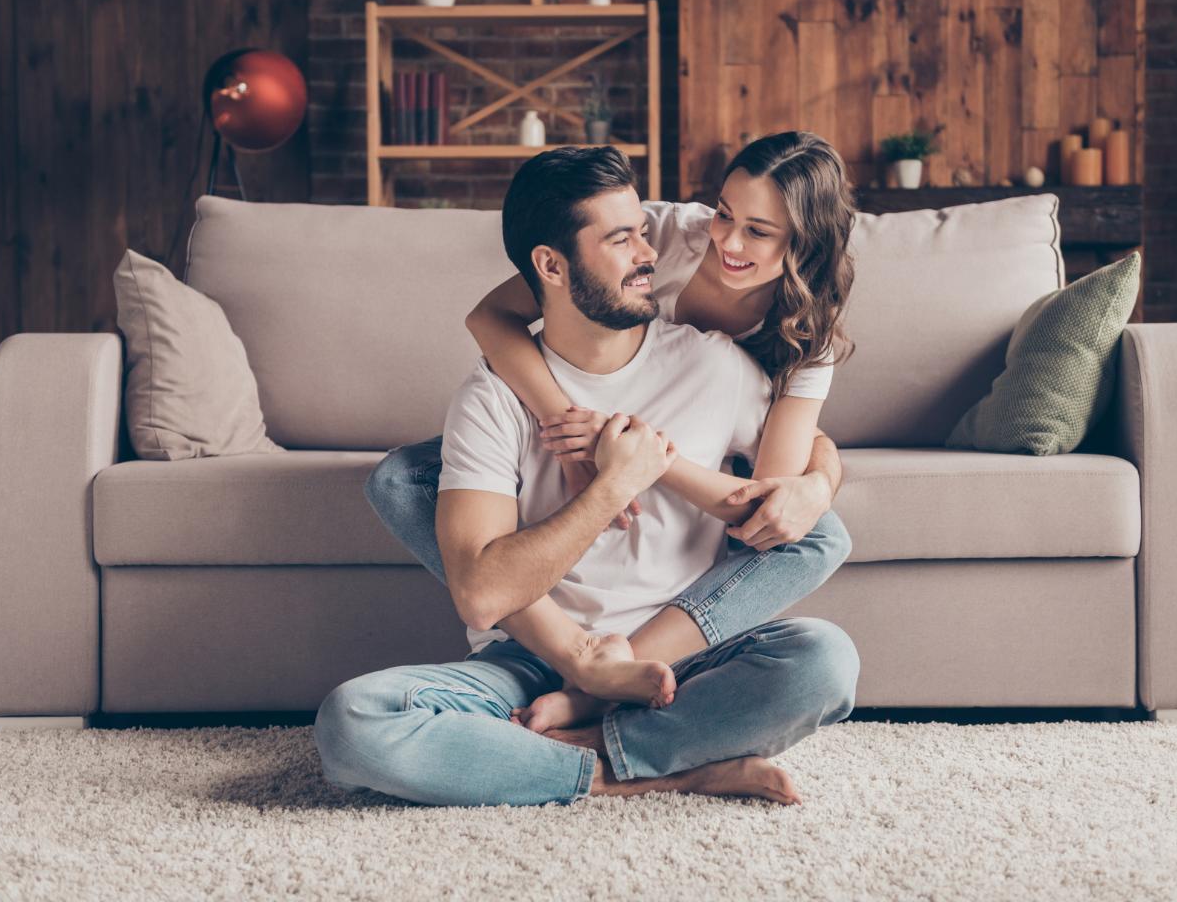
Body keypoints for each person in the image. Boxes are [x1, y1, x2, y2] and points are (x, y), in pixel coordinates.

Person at [314, 146, 860, 806]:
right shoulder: (494, 395)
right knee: (354, 724)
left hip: (673, 661)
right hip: (530, 661)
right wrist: (605, 481)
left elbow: (771, 505)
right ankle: (664, 770)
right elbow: (483, 596)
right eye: (623, 239)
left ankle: (577, 732)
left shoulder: (720, 366)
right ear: (551, 264)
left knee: (825, 656)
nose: (649, 252)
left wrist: (657, 461)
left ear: (801, 245)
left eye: (759, 232)